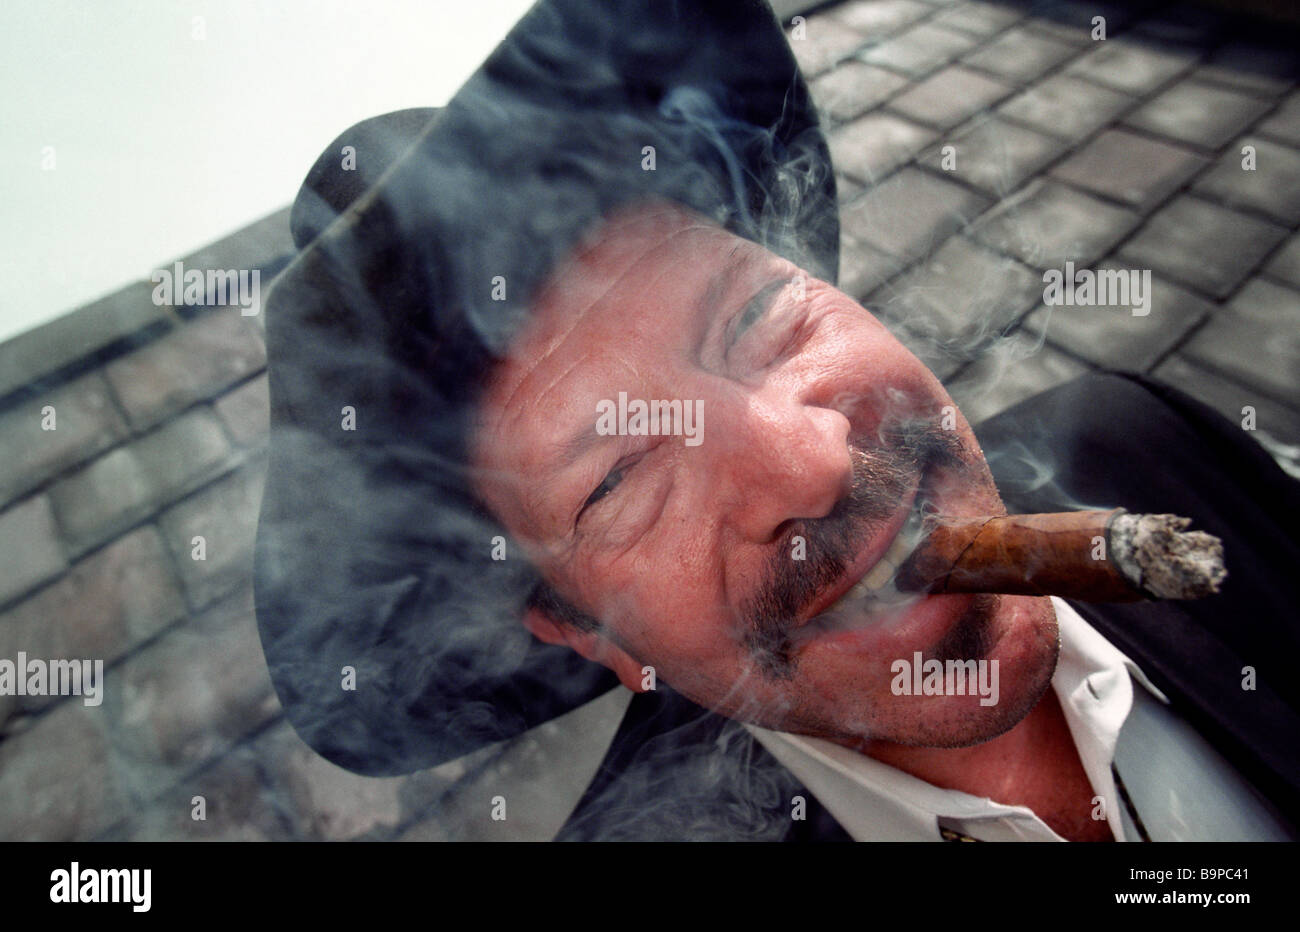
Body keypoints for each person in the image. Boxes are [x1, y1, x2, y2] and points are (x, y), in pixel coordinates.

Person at [253, 0, 1300, 841]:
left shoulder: (1143, 441)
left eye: (758, 318)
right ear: (587, 632)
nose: (809, 463)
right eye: (616, 481)